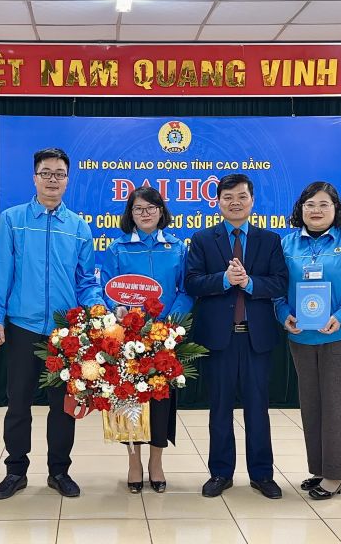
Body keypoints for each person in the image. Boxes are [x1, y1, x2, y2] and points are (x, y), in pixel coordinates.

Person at [0, 147, 106, 499]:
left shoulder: (79, 226)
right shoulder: (13, 219)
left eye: (60, 174)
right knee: (18, 402)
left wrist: (97, 312)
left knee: (63, 406)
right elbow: (0, 274)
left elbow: (87, 282)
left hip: (65, 331)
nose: (53, 179)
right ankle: (15, 471)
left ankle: (59, 471)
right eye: (46, 173)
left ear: (68, 180)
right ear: (34, 177)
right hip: (23, 327)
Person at [274, 181, 341, 500]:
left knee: (337, 406)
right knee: (312, 405)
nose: (316, 211)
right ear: (300, 211)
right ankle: (320, 468)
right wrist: (283, 314)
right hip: (301, 337)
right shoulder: (287, 245)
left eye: (323, 205)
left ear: (336, 209)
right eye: (309, 205)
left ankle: (336, 475)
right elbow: (276, 290)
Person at [185, 173, 288, 500]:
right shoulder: (202, 240)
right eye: (228, 197)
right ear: (217, 202)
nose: (235, 202)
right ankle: (220, 473)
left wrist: (250, 283)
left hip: (256, 338)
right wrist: (225, 280)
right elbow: (192, 283)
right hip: (219, 338)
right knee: (219, 408)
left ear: (252, 201)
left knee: (258, 409)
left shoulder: (269, 240)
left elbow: (280, 283)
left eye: (242, 196)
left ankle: (262, 474)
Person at [101, 186, 193, 494]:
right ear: (130, 213)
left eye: (151, 208)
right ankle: (134, 462)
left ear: (161, 211)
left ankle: (156, 461)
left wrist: (171, 324)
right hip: (129, 338)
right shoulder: (118, 249)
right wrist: (119, 310)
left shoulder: (177, 248)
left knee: (160, 400)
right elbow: (107, 288)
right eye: (139, 209)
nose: (145, 213)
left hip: (165, 336)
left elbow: (185, 289)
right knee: (130, 399)